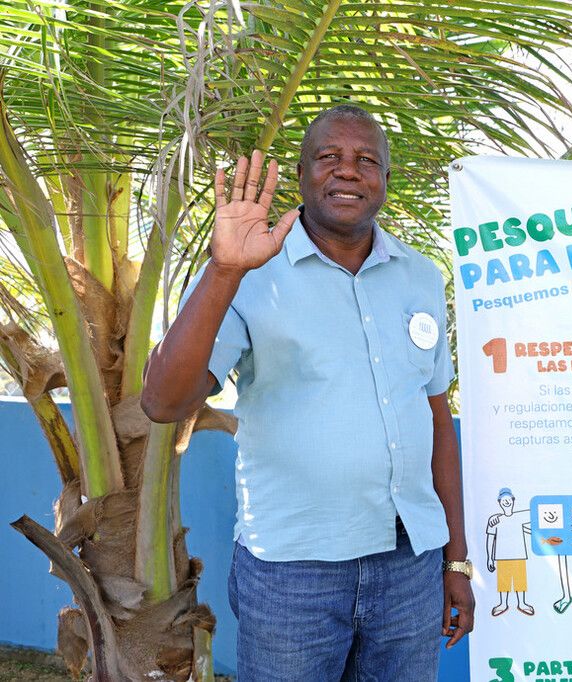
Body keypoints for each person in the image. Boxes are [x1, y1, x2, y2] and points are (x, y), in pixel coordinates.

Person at [141, 104, 474, 681]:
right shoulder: (245, 273)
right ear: (300, 176)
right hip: (293, 572)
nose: (349, 171)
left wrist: (457, 561)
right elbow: (163, 403)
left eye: (367, 160)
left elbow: (437, 421)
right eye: (330, 157)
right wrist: (223, 271)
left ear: (385, 182)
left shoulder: (421, 276)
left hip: (408, 564)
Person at [484, 488, 533, 616]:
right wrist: (490, 558)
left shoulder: (520, 516)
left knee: (520, 581)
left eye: (508, 499)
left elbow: (536, 513)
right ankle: (503, 604)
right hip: (501, 557)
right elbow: (490, 538)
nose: (506, 502)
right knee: (503, 583)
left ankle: (522, 603)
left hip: (519, 556)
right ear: (499, 502)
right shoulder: (494, 520)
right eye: (503, 500)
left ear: (513, 500)